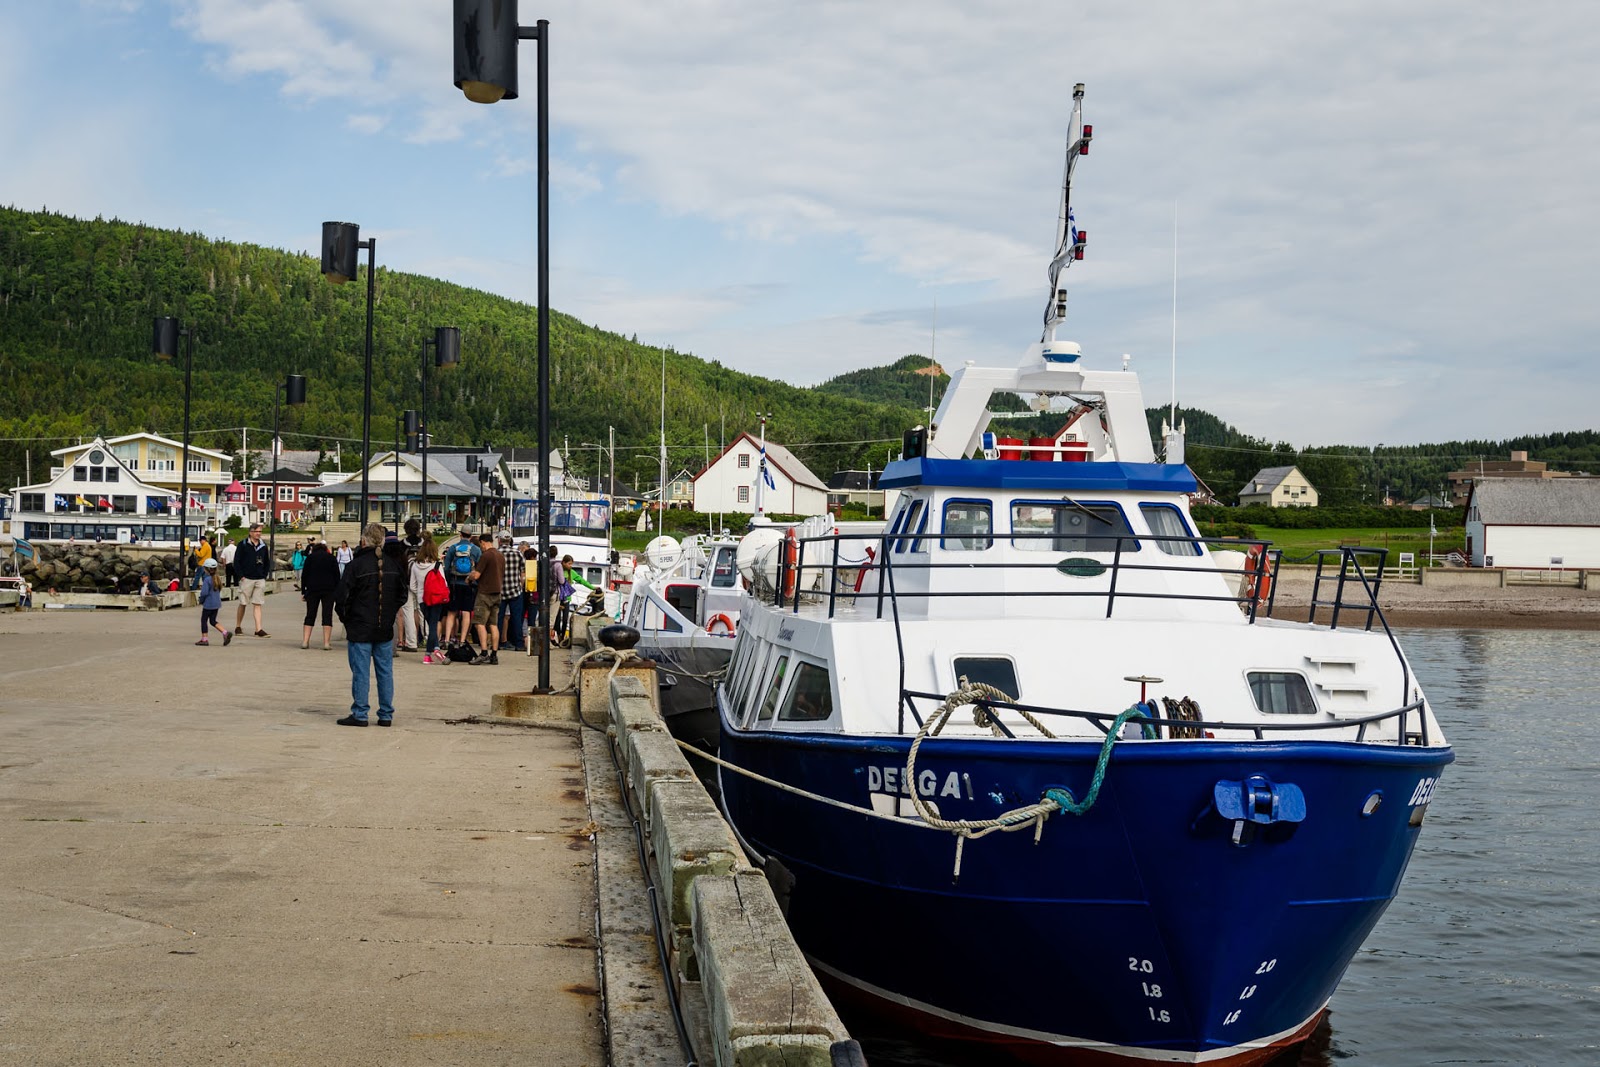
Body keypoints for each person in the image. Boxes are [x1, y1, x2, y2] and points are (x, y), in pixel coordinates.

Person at [332, 523, 407, 727]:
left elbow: (342, 597)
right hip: (384, 626)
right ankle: (386, 714)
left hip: (360, 627)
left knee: (361, 672)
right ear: (382, 541)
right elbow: (402, 595)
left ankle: (360, 712)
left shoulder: (356, 566)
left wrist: (347, 619)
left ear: (364, 540)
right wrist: (389, 613)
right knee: (385, 671)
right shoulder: (393, 565)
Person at [468, 531, 504, 665]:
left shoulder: (486, 556)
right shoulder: (500, 556)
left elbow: (477, 575)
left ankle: (483, 653)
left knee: (480, 623)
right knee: (493, 624)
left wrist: (469, 577)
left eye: (481, 545)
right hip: (497, 593)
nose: (481, 547)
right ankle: (494, 655)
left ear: (483, 543)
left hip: (484, 593)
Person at [442, 527, 481, 651]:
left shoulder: (453, 548)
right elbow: (479, 569)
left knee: (451, 612)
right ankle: (463, 640)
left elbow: (446, 567)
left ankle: (447, 639)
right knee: (466, 613)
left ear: (460, 535)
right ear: (471, 536)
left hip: (454, 583)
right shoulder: (476, 550)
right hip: (469, 585)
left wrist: (449, 582)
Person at [412, 538, 448, 664]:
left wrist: (420, 593)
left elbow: (413, 585)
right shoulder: (437, 565)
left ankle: (430, 653)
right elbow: (444, 583)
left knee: (431, 624)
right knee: (433, 624)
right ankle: (434, 650)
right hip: (436, 598)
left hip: (422, 599)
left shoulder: (415, 565)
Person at [232, 524, 272, 637]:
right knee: (243, 603)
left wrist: (264, 574)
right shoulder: (243, 544)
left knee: (258, 603)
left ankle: (258, 629)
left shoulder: (263, 546)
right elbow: (237, 561)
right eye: (256, 531)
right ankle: (238, 626)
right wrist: (241, 576)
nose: (258, 533)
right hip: (246, 578)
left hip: (259, 578)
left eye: (260, 531)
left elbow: (267, 561)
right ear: (250, 532)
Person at [299, 540, 340, 650]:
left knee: (310, 614)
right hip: (329, 590)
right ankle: (326, 643)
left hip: (312, 589)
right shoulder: (331, 558)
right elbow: (337, 575)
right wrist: (337, 591)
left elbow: (304, 575)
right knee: (327, 615)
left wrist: (303, 591)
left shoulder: (310, 558)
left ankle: (305, 641)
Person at [397, 518, 427, 652]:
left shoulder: (402, 545)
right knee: (423, 610)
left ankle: (411, 642)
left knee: (408, 611)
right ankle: (428, 638)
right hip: (423, 581)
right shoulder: (425, 544)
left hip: (407, 581)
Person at [497, 534, 526, 651]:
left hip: (499, 590)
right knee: (516, 618)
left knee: (499, 618)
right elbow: (523, 573)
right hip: (515, 590)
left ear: (499, 541)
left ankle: (497, 642)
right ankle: (519, 644)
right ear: (510, 541)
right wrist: (520, 586)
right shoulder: (518, 553)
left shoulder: (496, 553)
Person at [195, 559, 232, 647]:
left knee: (204, 620)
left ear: (206, 569)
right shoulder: (217, 578)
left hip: (208, 604)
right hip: (216, 604)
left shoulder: (207, 580)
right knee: (212, 621)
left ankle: (204, 639)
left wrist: (201, 600)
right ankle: (225, 632)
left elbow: (204, 593)